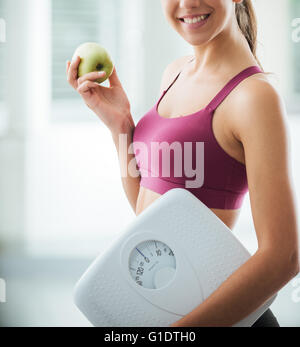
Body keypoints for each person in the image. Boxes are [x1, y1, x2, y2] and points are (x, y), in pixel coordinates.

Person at [66, 0, 299, 327]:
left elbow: (284, 258)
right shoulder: (175, 72)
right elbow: (151, 221)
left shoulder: (254, 96)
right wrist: (120, 126)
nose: (187, 3)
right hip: (172, 305)